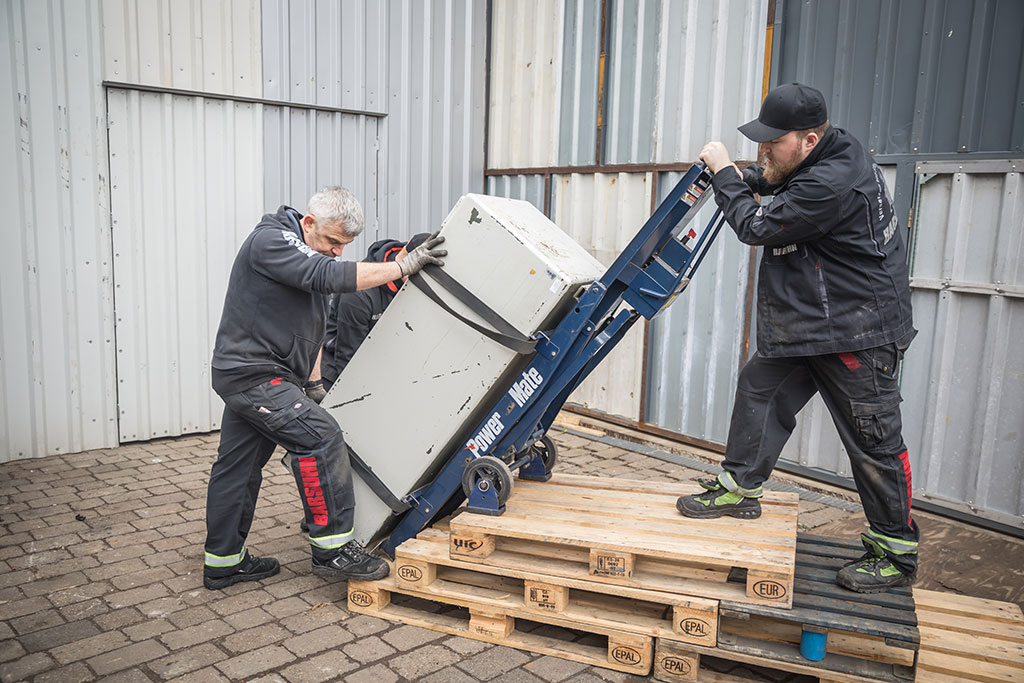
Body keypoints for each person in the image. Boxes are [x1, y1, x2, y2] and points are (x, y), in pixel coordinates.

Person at [676, 83, 919, 593]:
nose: (764, 150)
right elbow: (777, 182)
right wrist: (749, 175)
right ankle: (740, 488)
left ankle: (895, 552)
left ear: (809, 140)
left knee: (873, 442)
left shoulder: (831, 183)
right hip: (816, 319)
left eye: (773, 142)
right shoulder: (825, 153)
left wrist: (724, 173)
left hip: (858, 330)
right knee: (760, 388)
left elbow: (757, 224)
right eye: (760, 141)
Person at [203, 186, 446, 590]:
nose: (337, 251)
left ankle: (224, 561)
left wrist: (314, 383)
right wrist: (404, 266)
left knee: (238, 468)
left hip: (262, 375)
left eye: (345, 245)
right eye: (333, 241)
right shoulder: (272, 241)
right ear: (309, 223)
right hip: (254, 376)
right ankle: (331, 550)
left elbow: (313, 326)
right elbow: (328, 275)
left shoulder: (305, 255)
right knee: (320, 437)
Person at [319, 232, 432, 392]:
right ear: (408, 262)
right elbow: (348, 359)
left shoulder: (414, 286)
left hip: (381, 369)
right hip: (336, 373)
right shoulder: (359, 295)